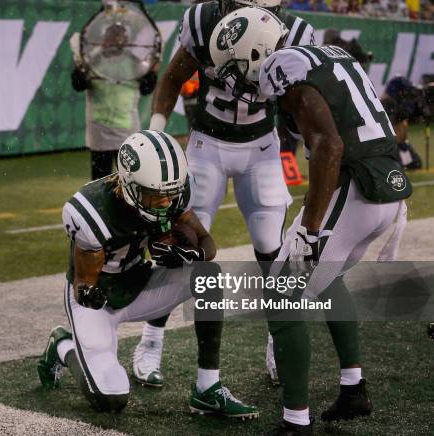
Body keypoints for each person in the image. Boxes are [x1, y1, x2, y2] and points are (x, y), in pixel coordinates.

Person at [209, 7, 412, 434]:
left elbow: (329, 147)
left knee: (281, 297)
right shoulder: (328, 53)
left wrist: (309, 230)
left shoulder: (285, 69)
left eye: (236, 67)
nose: (235, 79)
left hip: (355, 189)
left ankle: (295, 421)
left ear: (257, 52)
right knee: (328, 278)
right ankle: (353, 387)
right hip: (383, 188)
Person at [133, 0, 315, 388]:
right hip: (207, 145)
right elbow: (171, 79)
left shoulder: (294, 34)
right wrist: (157, 131)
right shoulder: (204, 21)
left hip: (262, 147)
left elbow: (302, 105)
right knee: (180, 245)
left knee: (272, 252)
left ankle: (277, 342)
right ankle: (152, 339)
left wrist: (308, 136)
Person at [37, 130, 259, 418]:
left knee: (208, 274)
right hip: (98, 300)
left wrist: (187, 252)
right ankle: (64, 344)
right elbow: (83, 286)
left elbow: (208, 245)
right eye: (157, 195)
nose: (167, 202)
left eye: (171, 194)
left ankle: (208, 388)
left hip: (138, 283)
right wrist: (91, 295)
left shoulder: (171, 195)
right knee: (111, 399)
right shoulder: (93, 212)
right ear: (129, 186)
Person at [71, 10, 158, 181]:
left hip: (127, 132)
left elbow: (146, 88)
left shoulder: (134, 62)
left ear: (127, 40)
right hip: (99, 132)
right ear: (104, 39)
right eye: (112, 36)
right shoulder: (93, 59)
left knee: (129, 182)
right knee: (100, 183)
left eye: (120, 37)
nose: (116, 41)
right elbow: (78, 84)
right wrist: (81, 66)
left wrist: (153, 72)